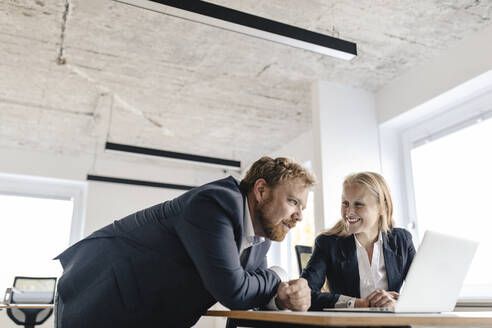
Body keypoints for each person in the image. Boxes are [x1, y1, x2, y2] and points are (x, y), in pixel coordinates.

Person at [54, 156, 315, 328]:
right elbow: (235, 291)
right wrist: (277, 277)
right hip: (99, 300)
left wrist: (283, 297)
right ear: (260, 191)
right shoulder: (215, 204)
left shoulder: (261, 235)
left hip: (148, 315)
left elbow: (252, 292)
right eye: (293, 201)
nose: (300, 215)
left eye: (302, 206)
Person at [301, 172, 416, 310]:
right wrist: (359, 304)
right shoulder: (327, 243)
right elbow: (305, 295)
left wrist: (396, 303)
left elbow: (421, 291)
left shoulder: (402, 240)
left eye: (358, 204)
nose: (349, 212)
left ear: (382, 207)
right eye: (345, 203)